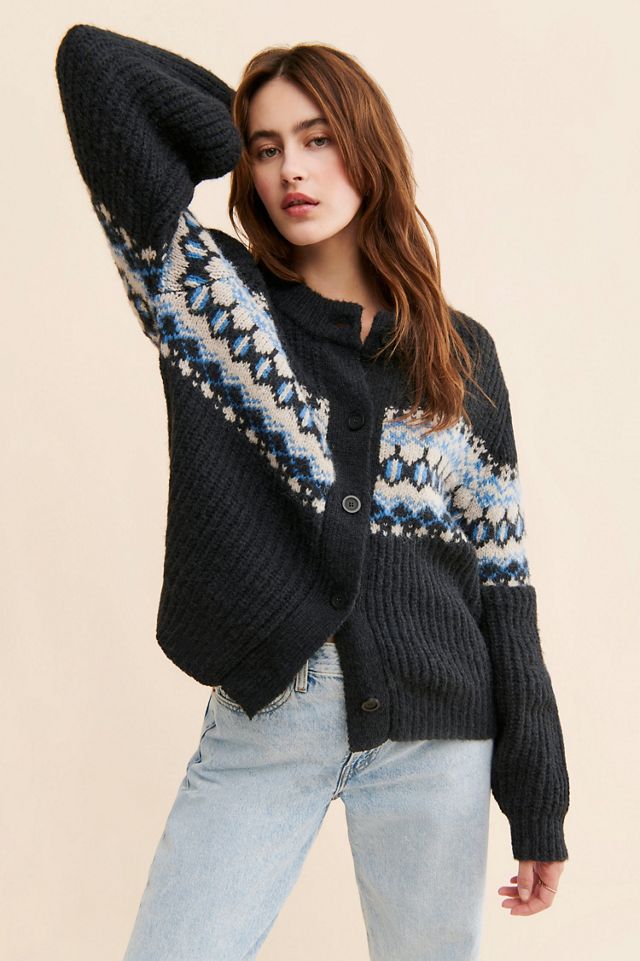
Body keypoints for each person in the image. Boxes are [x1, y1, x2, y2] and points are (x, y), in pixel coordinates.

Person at [54, 22, 570, 961]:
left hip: (437, 726)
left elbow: (505, 586)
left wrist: (538, 799)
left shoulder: (460, 354)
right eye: (267, 148)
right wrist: (227, 122)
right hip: (271, 715)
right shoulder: (215, 298)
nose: (292, 169)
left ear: (368, 146)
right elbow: (92, 67)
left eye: (319, 138)